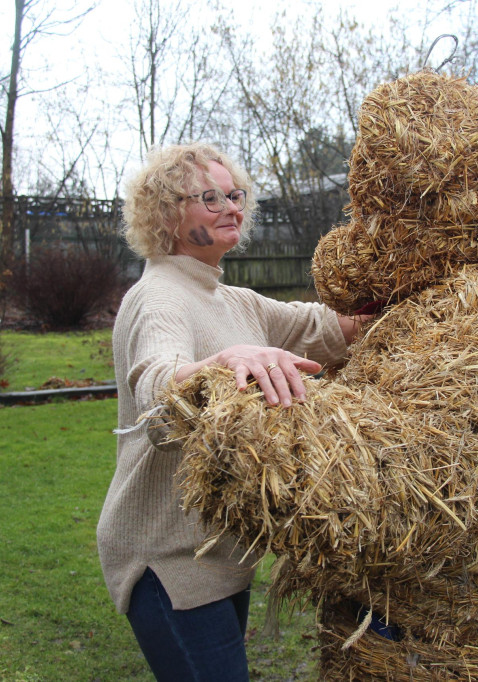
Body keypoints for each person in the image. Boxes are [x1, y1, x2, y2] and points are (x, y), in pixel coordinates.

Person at [96, 143, 363, 682]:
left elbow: (328, 328)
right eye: (210, 197)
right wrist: (226, 359)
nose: (232, 207)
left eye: (236, 195)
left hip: (219, 556)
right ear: (168, 213)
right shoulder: (159, 297)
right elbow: (155, 389)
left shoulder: (234, 300)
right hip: (167, 560)